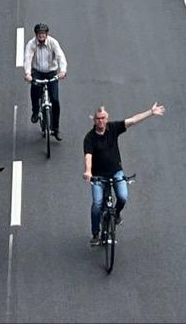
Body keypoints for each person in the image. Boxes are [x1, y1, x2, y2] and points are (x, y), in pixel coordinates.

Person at [83, 101, 166, 245]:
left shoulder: (114, 128)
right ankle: (95, 233)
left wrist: (150, 112)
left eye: (103, 118)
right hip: (98, 176)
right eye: (98, 119)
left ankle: (116, 214)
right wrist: (88, 171)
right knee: (97, 203)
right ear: (94, 119)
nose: (101, 121)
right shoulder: (89, 137)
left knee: (122, 196)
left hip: (116, 172)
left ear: (107, 119)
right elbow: (88, 155)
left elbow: (133, 120)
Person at [23, 22, 68, 140]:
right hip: (37, 71)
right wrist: (28, 73)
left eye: (43, 34)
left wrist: (62, 71)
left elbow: (60, 57)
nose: (41, 36)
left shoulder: (53, 43)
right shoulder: (31, 44)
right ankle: (35, 111)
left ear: (46, 34)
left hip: (51, 72)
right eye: (39, 34)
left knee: (55, 100)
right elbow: (27, 58)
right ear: (36, 35)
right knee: (35, 89)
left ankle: (56, 128)